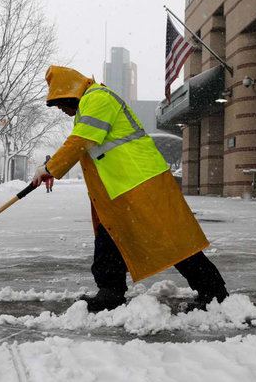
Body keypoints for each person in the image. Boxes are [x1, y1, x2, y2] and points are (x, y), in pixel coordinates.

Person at [33, 66, 228, 312]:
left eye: (60, 103)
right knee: (109, 237)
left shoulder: (98, 98)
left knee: (172, 241)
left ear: (69, 93)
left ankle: (213, 292)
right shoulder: (89, 105)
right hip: (119, 188)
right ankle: (110, 292)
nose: (61, 110)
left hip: (141, 183)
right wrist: (52, 167)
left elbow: (81, 140)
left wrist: (50, 168)